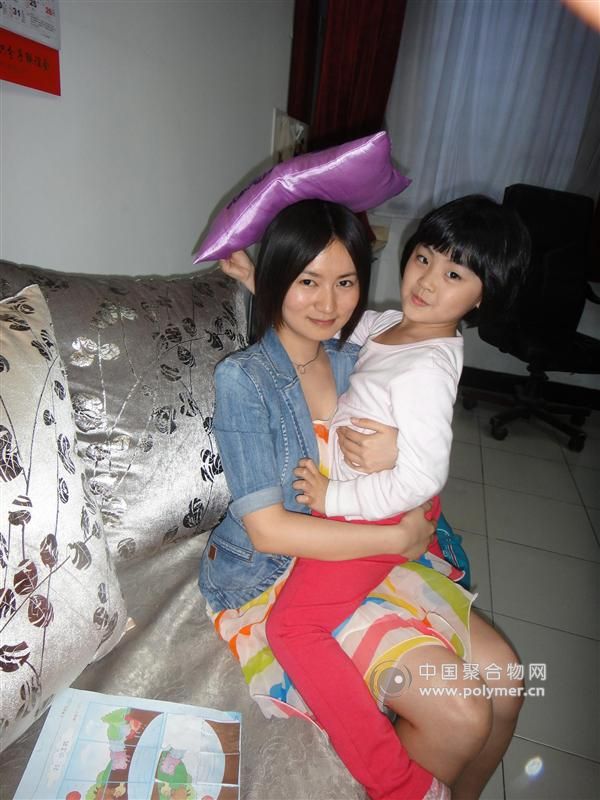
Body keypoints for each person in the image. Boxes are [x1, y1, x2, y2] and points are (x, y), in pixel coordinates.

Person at [200, 199, 527, 800]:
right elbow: (270, 530)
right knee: (462, 708)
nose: (329, 304)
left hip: (370, 535)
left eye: (346, 282)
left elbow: (418, 455)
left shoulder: (354, 350)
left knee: (506, 680)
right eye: (308, 281)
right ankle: (407, 787)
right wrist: (396, 535)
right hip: (287, 564)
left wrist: (397, 454)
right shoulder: (249, 378)